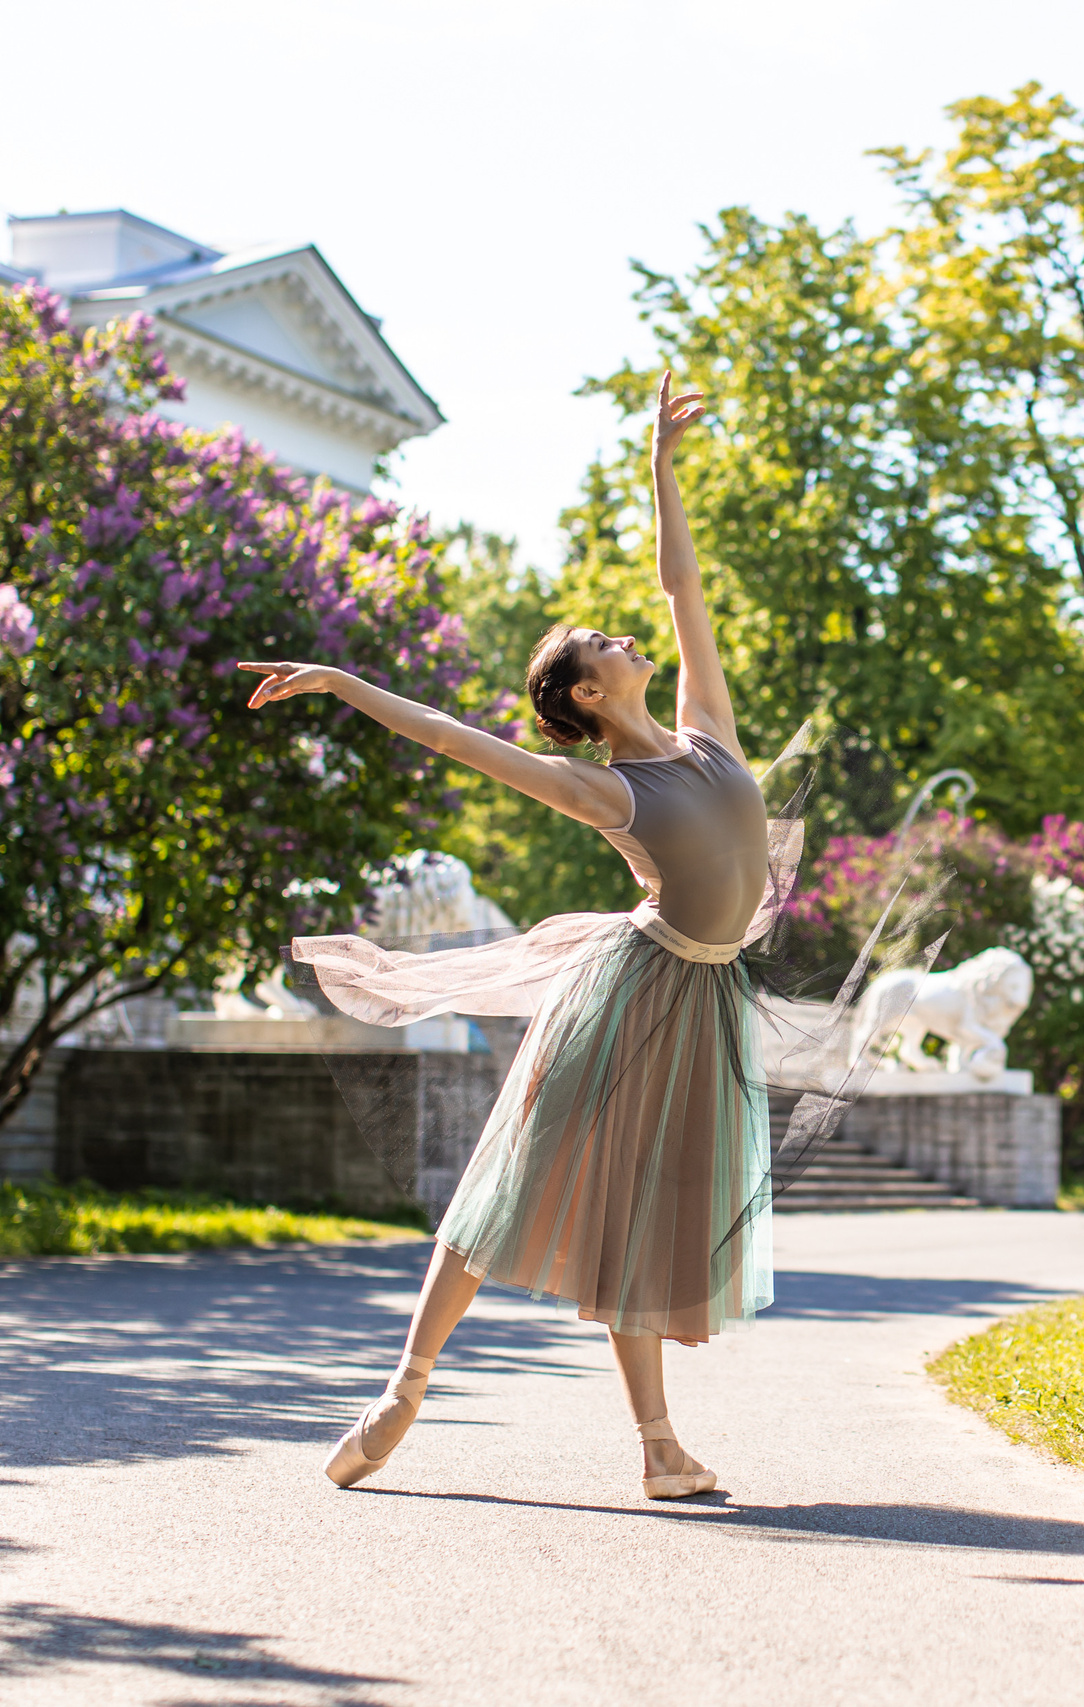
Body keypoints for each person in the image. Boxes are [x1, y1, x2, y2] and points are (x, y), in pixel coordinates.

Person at [240, 372, 766, 1501]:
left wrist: (664, 471)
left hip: (709, 1002)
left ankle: (661, 1450)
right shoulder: (602, 789)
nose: (631, 639)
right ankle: (405, 1385)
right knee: (510, 1183)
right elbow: (451, 738)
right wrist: (342, 682)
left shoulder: (709, 734)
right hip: (634, 994)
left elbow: (683, 591)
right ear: (580, 696)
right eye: (602, 645)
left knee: (641, 1221)